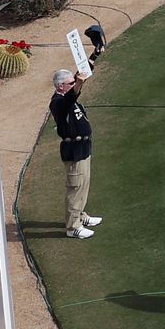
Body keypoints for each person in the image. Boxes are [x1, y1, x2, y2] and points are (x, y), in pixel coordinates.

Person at [50, 68, 101, 239]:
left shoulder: (67, 98)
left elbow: (73, 95)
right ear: (60, 86)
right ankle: (73, 227)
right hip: (73, 150)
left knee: (84, 184)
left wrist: (90, 61)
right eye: (70, 83)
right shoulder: (57, 102)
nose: (74, 85)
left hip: (83, 147)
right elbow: (71, 98)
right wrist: (79, 83)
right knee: (75, 187)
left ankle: (80, 215)